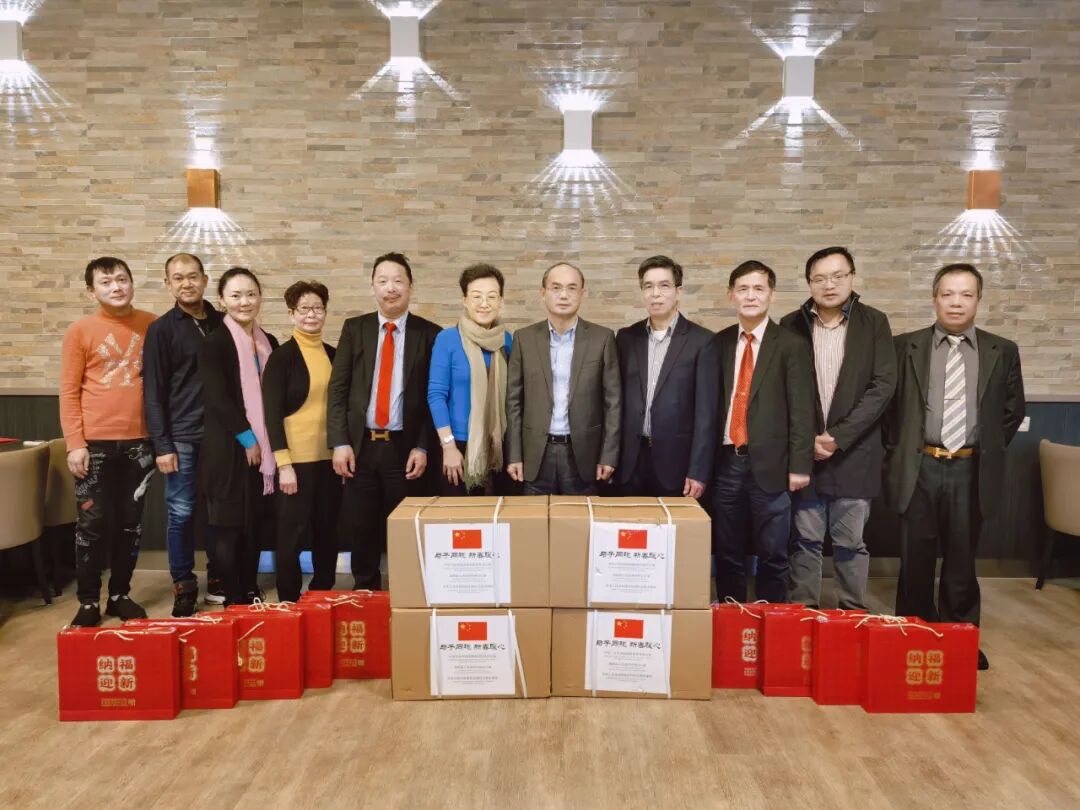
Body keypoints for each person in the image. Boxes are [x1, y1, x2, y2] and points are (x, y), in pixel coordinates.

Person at [885, 263, 1025, 670]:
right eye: (948, 294)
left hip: (970, 468)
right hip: (919, 466)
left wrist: (982, 447)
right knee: (916, 558)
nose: (956, 302)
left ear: (978, 300)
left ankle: (959, 639)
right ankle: (913, 632)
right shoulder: (905, 346)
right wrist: (899, 450)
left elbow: (1012, 411)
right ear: (934, 299)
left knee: (962, 560)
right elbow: (889, 410)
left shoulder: (1002, 350)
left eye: (966, 294)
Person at [780, 247, 896, 610]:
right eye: (819, 278)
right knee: (804, 541)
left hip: (854, 453)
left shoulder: (874, 323)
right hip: (806, 455)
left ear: (852, 277)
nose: (829, 285)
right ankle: (804, 614)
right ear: (808, 283)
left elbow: (883, 386)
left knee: (850, 543)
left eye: (837, 276)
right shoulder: (790, 324)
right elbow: (782, 389)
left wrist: (838, 437)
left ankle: (852, 613)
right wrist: (808, 441)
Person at [328, 252, 441, 591]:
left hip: (403, 449)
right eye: (383, 281)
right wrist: (340, 441)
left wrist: (423, 446)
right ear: (373, 286)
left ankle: (407, 593)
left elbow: (432, 398)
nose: (391, 288)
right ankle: (365, 592)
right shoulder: (355, 328)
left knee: (405, 527)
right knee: (361, 526)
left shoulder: (430, 334)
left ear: (410, 287)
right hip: (360, 446)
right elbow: (338, 389)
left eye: (398, 281)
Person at [60, 257, 156, 627]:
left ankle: (119, 595)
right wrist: (75, 442)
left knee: (131, 523)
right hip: (94, 444)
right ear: (92, 291)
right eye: (105, 282)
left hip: (141, 443)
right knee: (92, 524)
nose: (116, 287)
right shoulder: (80, 331)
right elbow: (69, 392)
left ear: (132, 282)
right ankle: (88, 601)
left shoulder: (153, 325)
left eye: (121, 279)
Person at [711, 260, 815, 604]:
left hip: (773, 466)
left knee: (773, 553)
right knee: (727, 551)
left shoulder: (791, 345)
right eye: (743, 289)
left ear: (771, 294)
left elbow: (802, 410)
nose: (750, 296)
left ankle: (771, 622)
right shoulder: (719, 343)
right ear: (731, 295)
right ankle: (731, 618)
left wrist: (799, 465)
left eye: (758, 288)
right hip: (726, 462)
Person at [143, 252, 225, 616]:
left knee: (220, 509)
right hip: (181, 436)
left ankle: (220, 576)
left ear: (205, 280)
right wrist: (162, 445)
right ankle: (184, 584)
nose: (186, 283)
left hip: (222, 435)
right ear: (168, 284)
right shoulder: (161, 330)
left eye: (192, 276)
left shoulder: (224, 322)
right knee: (181, 512)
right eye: (178, 278)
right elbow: (153, 392)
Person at [197, 267, 279, 607]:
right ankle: (233, 598)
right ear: (221, 300)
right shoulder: (214, 343)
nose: (244, 302)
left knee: (253, 525)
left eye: (251, 294)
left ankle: (249, 587)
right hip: (228, 450)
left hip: (264, 450)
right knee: (229, 527)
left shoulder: (268, 341)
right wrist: (248, 439)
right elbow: (217, 398)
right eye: (235, 295)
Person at [505, 262, 621, 496]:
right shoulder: (524, 338)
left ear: (582, 292)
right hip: (536, 453)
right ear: (543, 292)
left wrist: (608, 455)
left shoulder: (602, 338)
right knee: (536, 518)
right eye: (556, 288)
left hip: (584, 455)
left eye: (572, 288)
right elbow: (513, 402)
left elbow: (613, 402)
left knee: (582, 519)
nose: (564, 295)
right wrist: (514, 454)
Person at [615, 255, 719, 499]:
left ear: (678, 291)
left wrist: (698, 470)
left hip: (676, 464)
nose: (656, 294)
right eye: (648, 286)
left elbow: (706, 415)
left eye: (664, 286)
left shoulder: (702, 341)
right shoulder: (626, 338)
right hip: (630, 462)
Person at [262, 280, 340, 602]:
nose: (311, 315)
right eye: (304, 308)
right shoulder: (282, 358)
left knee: (327, 530)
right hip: (295, 462)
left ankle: (322, 592)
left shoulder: (334, 354)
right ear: (291, 313)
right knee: (291, 534)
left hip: (330, 461)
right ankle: (289, 598)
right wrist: (284, 465)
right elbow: (271, 415)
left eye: (318, 308)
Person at [427, 263, 514, 495]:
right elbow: (436, 396)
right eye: (476, 296)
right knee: (461, 515)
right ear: (465, 300)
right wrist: (448, 447)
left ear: (501, 301)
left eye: (491, 296)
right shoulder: (447, 339)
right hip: (459, 446)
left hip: (498, 444)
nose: (484, 303)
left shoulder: (506, 340)